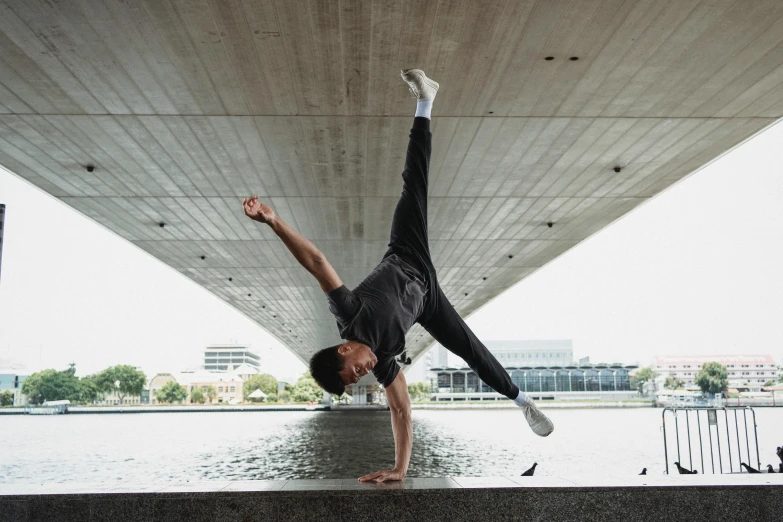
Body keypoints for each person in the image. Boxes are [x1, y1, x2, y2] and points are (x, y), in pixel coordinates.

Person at [242, 69, 554, 483]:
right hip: (430, 301)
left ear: (343, 349)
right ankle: (523, 401)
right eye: (359, 378)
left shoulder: (349, 314)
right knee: (471, 351)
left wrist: (275, 221)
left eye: (354, 371)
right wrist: (400, 470)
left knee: (414, 184)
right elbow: (402, 410)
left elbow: (317, 262)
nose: (363, 372)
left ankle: (425, 100)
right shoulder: (385, 361)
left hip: (407, 251)